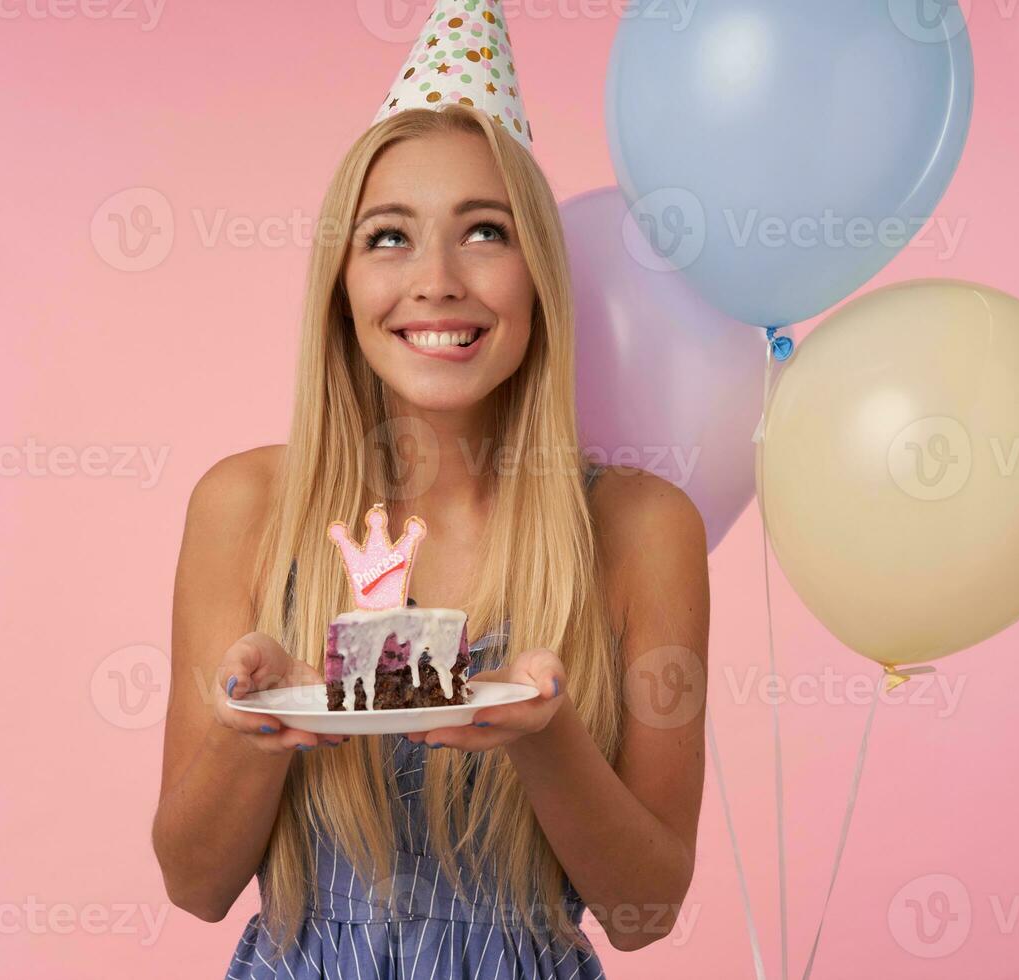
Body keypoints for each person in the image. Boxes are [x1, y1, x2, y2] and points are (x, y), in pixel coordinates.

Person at [149, 7, 710, 975]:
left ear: (538, 272)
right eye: (389, 237)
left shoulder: (644, 527)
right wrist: (252, 731)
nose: (438, 281)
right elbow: (194, 884)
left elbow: (645, 910)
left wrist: (545, 737)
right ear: (341, 284)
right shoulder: (242, 505)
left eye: (484, 232)